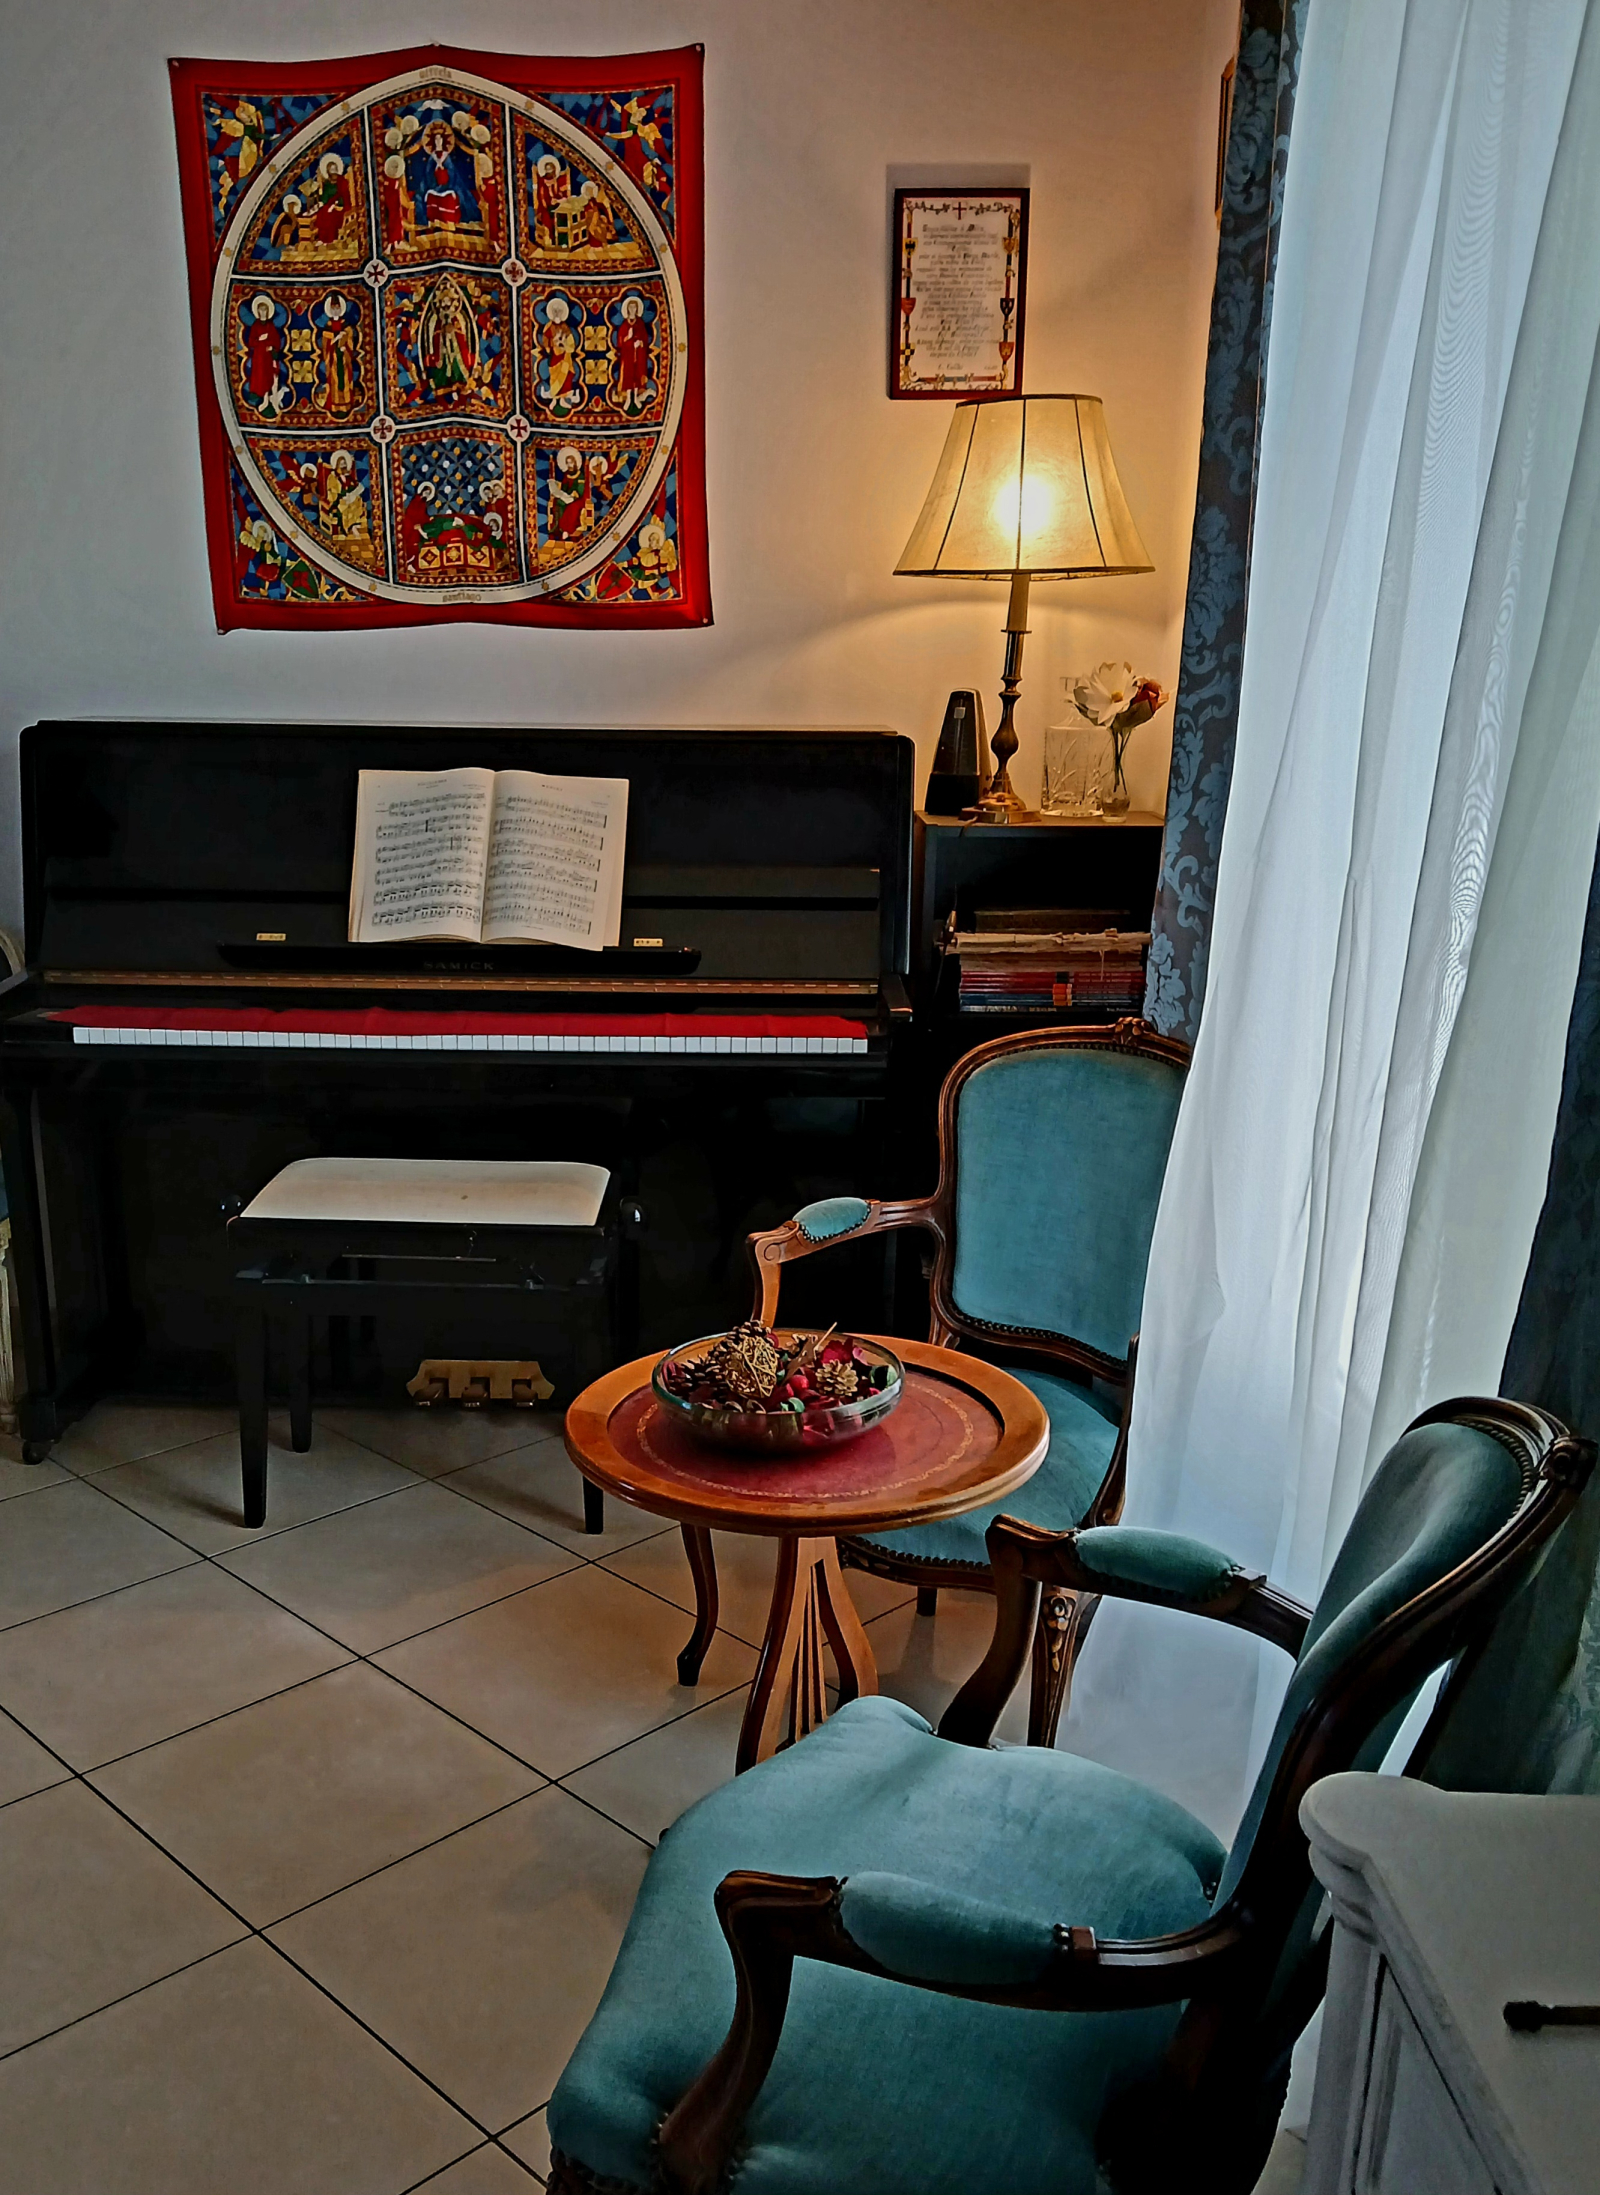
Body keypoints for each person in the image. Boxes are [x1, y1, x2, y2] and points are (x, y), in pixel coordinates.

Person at [242, 295, 287, 415]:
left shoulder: (270, 326)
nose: (263, 313)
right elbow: (251, 342)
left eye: (265, 310)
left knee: (269, 378)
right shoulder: (255, 326)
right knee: (260, 378)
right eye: (261, 310)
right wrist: (260, 340)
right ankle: (264, 401)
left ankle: (269, 400)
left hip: (268, 357)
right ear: (258, 312)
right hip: (259, 357)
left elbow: (276, 340)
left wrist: (272, 347)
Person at [318, 293, 359, 415]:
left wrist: (344, 346)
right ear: (329, 310)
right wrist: (336, 338)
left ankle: (346, 404)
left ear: (341, 309)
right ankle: (335, 405)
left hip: (344, 358)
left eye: (337, 308)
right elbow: (326, 343)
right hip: (333, 359)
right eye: (333, 308)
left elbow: (349, 338)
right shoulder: (328, 326)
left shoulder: (346, 325)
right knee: (334, 381)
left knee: (345, 380)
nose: (335, 311)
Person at [612, 294, 653, 411]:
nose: (632, 310)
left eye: (634, 307)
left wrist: (641, 343)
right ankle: (628, 399)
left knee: (637, 375)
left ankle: (635, 398)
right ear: (627, 309)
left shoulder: (640, 324)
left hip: (639, 355)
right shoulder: (624, 325)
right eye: (630, 307)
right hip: (628, 356)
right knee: (628, 376)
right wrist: (629, 339)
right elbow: (620, 342)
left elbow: (645, 338)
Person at [312, 152, 351, 250]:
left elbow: (344, 196)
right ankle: (322, 238)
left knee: (329, 216)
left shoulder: (342, 182)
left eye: (335, 172)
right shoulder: (327, 184)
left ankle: (329, 239)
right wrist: (320, 203)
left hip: (339, 208)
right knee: (321, 213)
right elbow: (325, 198)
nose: (334, 175)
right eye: (331, 173)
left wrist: (335, 205)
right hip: (328, 206)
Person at [532, 150, 569, 247]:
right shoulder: (542, 183)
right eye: (549, 172)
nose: (551, 174)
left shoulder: (557, 181)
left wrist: (558, 200)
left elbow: (562, 194)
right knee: (549, 218)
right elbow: (541, 198)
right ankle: (552, 240)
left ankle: (562, 241)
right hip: (546, 208)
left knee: (564, 217)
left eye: (552, 171)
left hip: (558, 206)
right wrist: (549, 204)